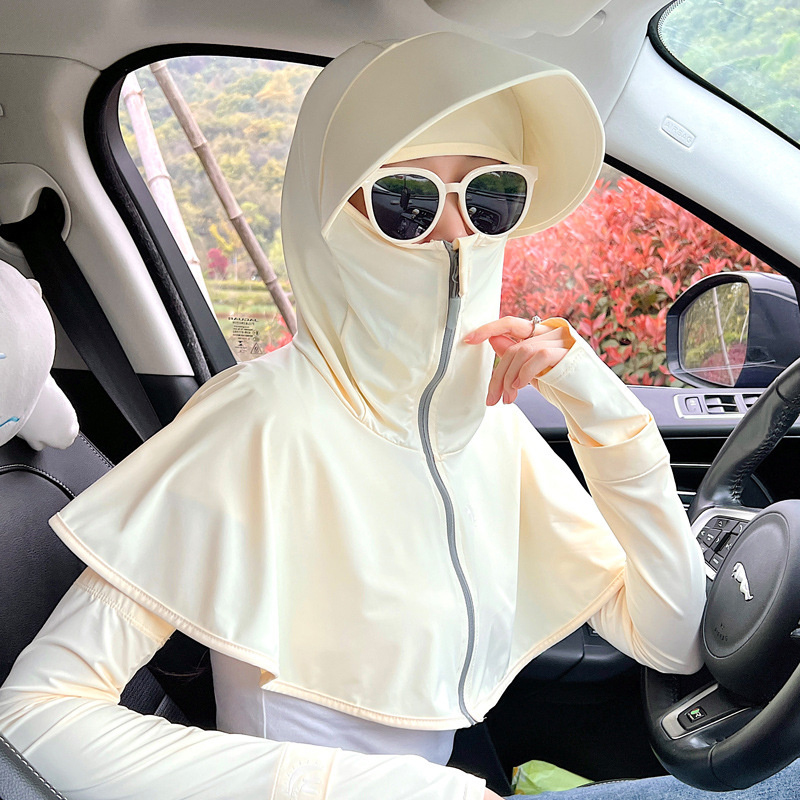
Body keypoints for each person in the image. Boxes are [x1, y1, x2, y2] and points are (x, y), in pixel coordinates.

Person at [0, 29, 734, 800]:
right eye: (405, 201)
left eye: (492, 196)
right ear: (331, 218)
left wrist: (609, 418)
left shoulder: (489, 424)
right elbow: (32, 719)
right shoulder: (259, 419)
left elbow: (672, 639)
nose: (455, 233)